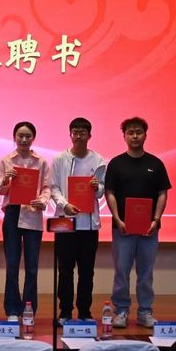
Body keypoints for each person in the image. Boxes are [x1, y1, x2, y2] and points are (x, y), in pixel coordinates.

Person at [105, 117, 171, 328]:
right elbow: (109, 192)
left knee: (145, 273)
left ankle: (145, 312)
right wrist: (117, 219)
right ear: (124, 136)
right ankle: (121, 311)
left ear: (145, 135)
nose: (135, 136)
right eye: (130, 132)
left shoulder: (155, 164)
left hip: (148, 230)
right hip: (122, 228)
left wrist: (156, 220)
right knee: (121, 272)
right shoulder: (116, 163)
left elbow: (162, 193)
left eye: (139, 132)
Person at [50, 117, 107, 324]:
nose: (79, 136)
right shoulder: (59, 159)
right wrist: (64, 204)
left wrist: (97, 187)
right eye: (75, 132)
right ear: (70, 134)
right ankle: (65, 312)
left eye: (83, 132)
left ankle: (84, 312)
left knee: (86, 271)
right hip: (65, 221)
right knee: (65, 271)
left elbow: (101, 192)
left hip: (89, 224)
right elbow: (53, 187)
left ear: (89, 135)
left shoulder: (99, 160)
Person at [0, 121, 51, 321]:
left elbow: (47, 187)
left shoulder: (41, 162)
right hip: (13, 213)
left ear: (33, 138)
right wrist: (5, 180)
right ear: (14, 137)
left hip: (33, 212)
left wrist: (43, 201)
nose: (24, 139)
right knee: (11, 265)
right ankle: (12, 310)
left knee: (32, 267)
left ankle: (28, 310)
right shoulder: (6, 161)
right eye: (20, 136)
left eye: (28, 136)